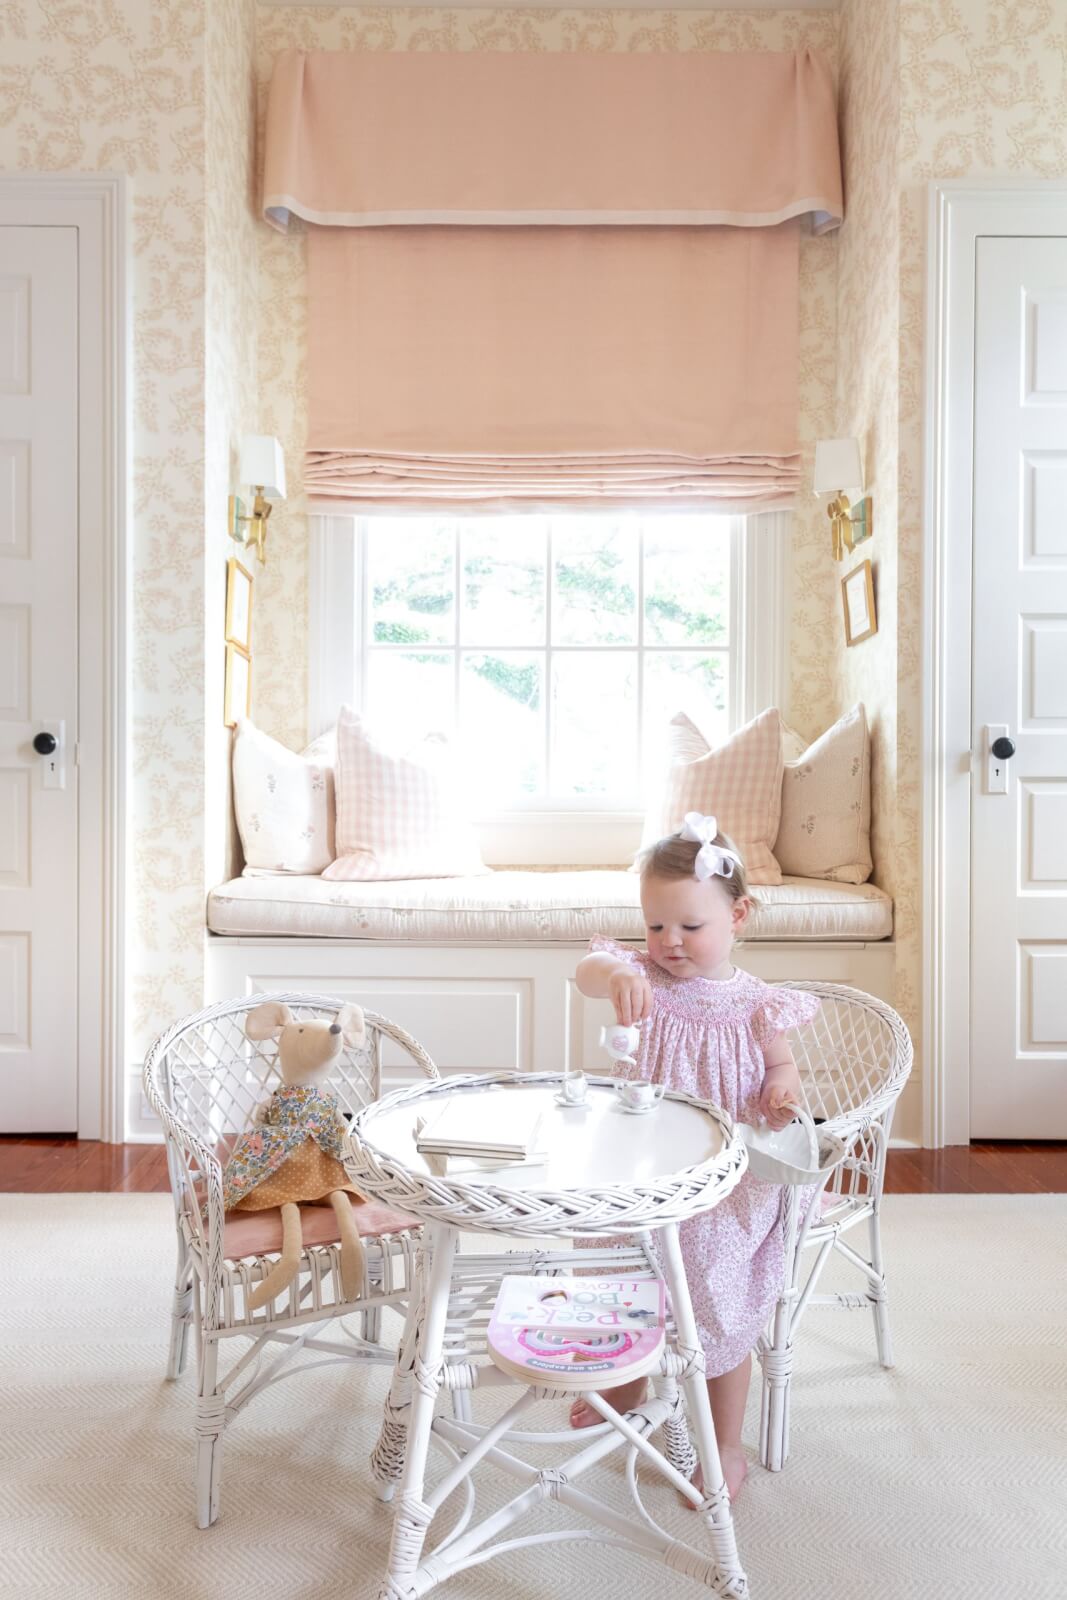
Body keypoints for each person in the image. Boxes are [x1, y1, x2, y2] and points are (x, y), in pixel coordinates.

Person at [571, 811, 820, 1502]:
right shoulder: (639, 976)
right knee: (619, 1270)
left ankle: (722, 1444)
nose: (668, 943)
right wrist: (611, 974)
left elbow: (784, 1073)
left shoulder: (756, 1005)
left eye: (689, 926)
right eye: (655, 926)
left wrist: (777, 1089)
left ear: (737, 915)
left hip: (721, 1182)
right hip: (640, 1167)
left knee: (714, 1295)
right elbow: (588, 970)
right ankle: (619, 1389)